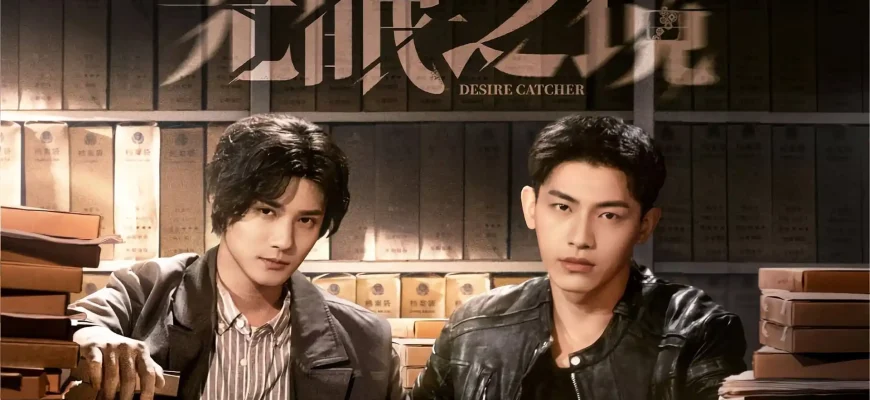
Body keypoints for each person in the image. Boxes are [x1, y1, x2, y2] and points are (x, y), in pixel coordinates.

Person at [411, 116, 747, 399]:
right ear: (531, 208)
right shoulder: (472, 327)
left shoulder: (695, 329)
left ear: (645, 225)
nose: (581, 238)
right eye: (563, 207)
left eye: (609, 216)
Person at [70, 113, 402, 400]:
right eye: (266, 211)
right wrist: (93, 337)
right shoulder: (147, 290)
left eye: (305, 221)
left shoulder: (365, 339)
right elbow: (66, 325)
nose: (284, 241)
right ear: (220, 201)